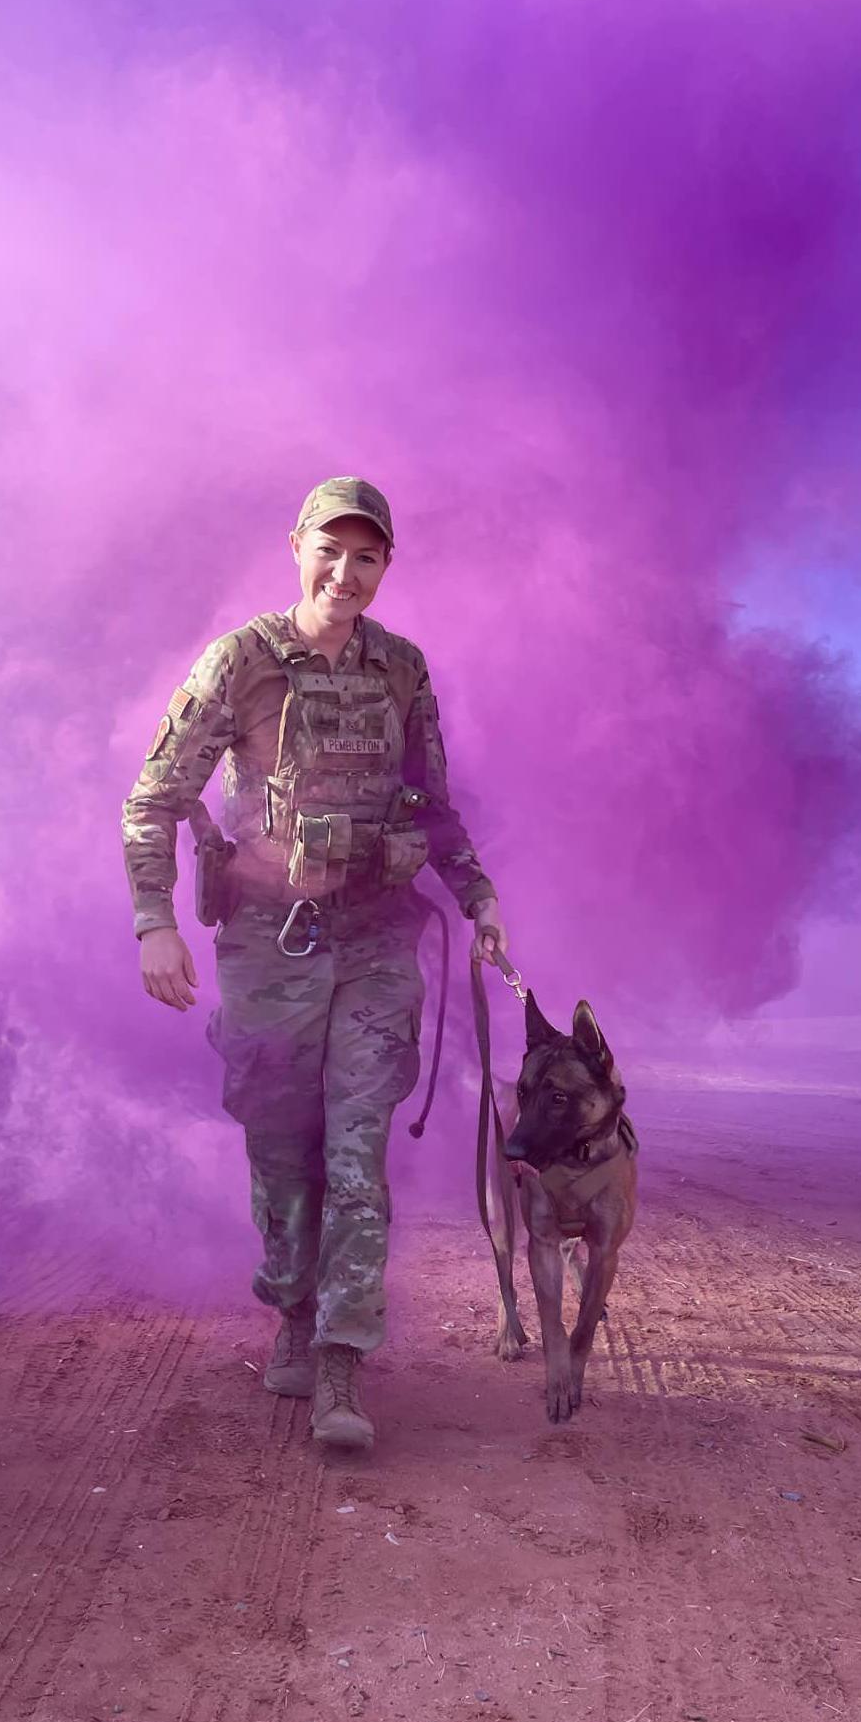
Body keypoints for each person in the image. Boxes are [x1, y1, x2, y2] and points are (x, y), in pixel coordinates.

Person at [121, 477, 506, 1452]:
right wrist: (152, 921)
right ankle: (292, 1307)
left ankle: (341, 1359)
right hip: (270, 938)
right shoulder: (241, 662)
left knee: (355, 1147)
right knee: (281, 1146)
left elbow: (433, 804)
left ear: (386, 565)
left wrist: (478, 898)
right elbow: (154, 796)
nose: (346, 571)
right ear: (296, 547)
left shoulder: (403, 671)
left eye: (366, 555)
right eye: (330, 550)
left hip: (378, 934)